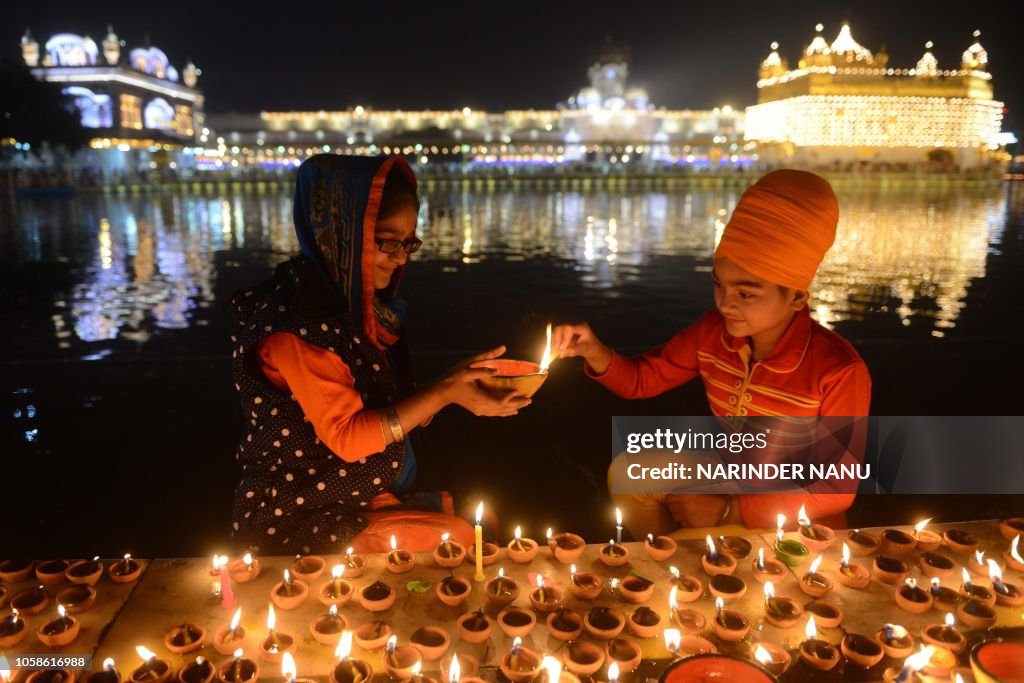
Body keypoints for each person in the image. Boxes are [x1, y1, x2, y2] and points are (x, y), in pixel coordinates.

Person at [228, 154, 528, 554]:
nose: (401, 257)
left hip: (361, 486)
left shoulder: (356, 305)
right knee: (459, 541)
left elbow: (382, 402)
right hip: (301, 510)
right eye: (387, 241)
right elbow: (349, 439)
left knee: (478, 524)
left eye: (408, 243)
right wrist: (445, 393)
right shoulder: (297, 326)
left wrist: (455, 383)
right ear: (341, 234)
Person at [553, 169, 871, 539]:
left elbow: (837, 491)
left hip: (794, 519)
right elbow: (642, 379)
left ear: (797, 297)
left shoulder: (838, 370)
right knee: (630, 473)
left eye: (746, 293)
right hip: (731, 475)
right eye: (718, 285)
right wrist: (594, 350)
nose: (725, 304)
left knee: (684, 554)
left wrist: (726, 509)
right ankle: (661, 553)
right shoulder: (713, 334)